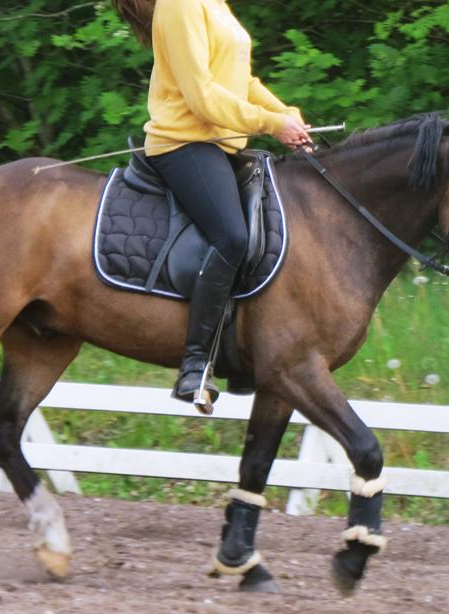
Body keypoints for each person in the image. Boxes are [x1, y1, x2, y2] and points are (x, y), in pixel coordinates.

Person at [112, 0, 310, 408]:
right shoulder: (179, 5)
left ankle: (243, 355)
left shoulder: (214, 3)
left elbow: (242, 82)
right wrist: (271, 124)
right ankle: (195, 365)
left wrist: (285, 114)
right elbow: (201, 96)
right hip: (184, 143)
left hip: (221, 144)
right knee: (232, 237)